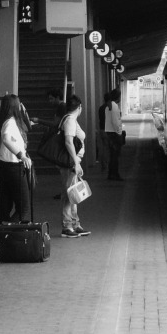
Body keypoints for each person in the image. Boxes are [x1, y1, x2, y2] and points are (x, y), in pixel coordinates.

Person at [0, 93, 33, 227]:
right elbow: (6, 139)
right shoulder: (10, 122)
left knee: (5, 206)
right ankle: (7, 233)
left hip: (4, 167)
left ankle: (2, 239)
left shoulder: (6, 121)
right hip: (13, 168)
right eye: (19, 104)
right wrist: (21, 155)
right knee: (24, 208)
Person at [58, 94, 90, 238]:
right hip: (70, 162)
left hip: (72, 161)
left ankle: (75, 224)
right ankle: (67, 226)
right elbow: (68, 142)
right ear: (79, 107)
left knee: (73, 192)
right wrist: (76, 163)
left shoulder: (69, 119)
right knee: (68, 194)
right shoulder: (70, 120)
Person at [105, 86, 124, 182]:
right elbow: (115, 121)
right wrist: (119, 133)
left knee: (112, 155)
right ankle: (115, 174)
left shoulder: (108, 106)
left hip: (109, 133)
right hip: (114, 134)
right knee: (115, 156)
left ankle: (111, 173)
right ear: (118, 97)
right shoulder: (114, 106)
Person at [97, 91, 111, 173]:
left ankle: (103, 164)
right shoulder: (109, 108)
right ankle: (106, 164)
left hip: (101, 129)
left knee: (102, 148)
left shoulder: (101, 108)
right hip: (107, 130)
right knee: (107, 148)